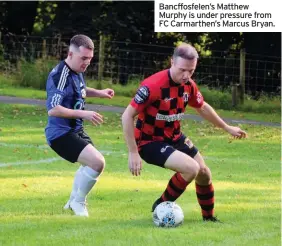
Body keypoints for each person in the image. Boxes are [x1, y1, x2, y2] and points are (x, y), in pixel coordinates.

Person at [121, 43, 247, 222]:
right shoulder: (153, 86)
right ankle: (160, 206)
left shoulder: (189, 85)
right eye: (182, 70)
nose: (186, 75)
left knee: (203, 172)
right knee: (191, 169)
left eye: (191, 70)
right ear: (172, 62)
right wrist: (133, 152)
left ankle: (208, 219)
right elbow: (127, 116)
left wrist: (227, 127)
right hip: (150, 141)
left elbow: (202, 107)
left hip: (174, 137)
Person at [45, 34, 114, 217]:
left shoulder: (76, 71)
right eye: (83, 58)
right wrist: (84, 113)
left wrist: (99, 93)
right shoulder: (61, 75)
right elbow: (53, 109)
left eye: (90, 59)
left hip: (75, 130)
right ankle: (78, 202)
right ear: (70, 54)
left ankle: (72, 202)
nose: (86, 63)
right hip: (60, 134)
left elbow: (80, 91)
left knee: (90, 165)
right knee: (97, 162)